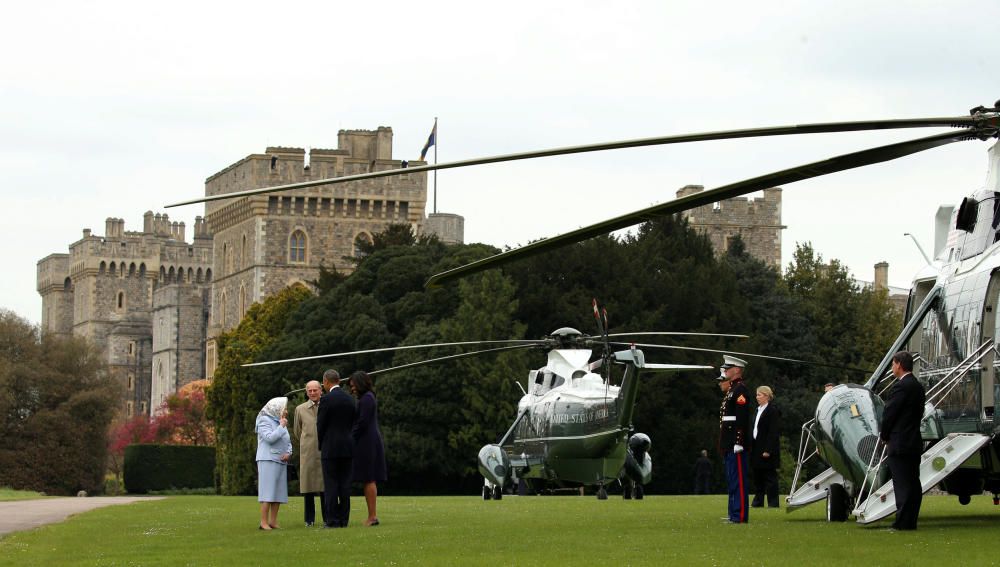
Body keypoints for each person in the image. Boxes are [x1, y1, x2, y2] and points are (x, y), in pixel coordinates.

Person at [880, 351, 926, 530]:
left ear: (898, 364)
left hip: (900, 442)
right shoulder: (917, 386)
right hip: (914, 440)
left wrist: (884, 435)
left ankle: (902, 523)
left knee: (902, 484)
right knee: (914, 483)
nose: (892, 368)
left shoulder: (901, 387)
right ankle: (910, 520)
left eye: (893, 364)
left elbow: (890, 414)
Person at [317, 369, 356, 528]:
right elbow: (354, 422)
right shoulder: (350, 399)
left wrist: (321, 444)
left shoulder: (326, 400)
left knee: (331, 484)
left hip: (331, 448)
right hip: (348, 447)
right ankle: (344, 520)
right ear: (338, 380)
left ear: (326, 381)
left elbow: (321, 425)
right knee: (345, 484)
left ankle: (332, 520)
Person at [349, 370, 387, 527]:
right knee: (367, 478)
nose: (352, 389)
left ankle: (372, 516)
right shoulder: (367, 398)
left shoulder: (367, 399)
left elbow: (362, 423)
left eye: (353, 386)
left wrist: (350, 438)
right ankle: (372, 516)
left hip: (367, 443)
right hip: (368, 441)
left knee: (369, 478)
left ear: (360, 384)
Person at [718, 355, 751, 524]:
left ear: (737, 369)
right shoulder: (733, 390)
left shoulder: (740, 390)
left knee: (738, 480)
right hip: (729, 442)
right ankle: (733, 513)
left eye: (728, 368)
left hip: (736, 443)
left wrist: (739, 441)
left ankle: (740, 515)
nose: (725, 370)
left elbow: (742, 418)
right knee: (732, 480)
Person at [256, 396, 292, 530]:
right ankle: (263, 522)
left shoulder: (280, 421)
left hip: (281, 461)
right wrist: (281, 426)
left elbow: (287, 441)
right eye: (284, 408)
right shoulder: (263, 420)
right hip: (267, 460)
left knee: (278, 492)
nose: (286, 411)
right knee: (268, 491)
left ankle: (273, 521)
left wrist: (289, 453)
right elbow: (270, 438)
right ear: (276, 408)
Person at [293, 380, 325, 526]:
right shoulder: (300, 409)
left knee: (325, 487)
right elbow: (297, 431)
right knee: (308, 488)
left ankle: (327, 517)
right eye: (309, 390)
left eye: (315, 390)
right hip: (308, 452)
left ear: (321, 390)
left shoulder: (326, 406)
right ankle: (309, 520)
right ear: (306, 392)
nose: (312, 393)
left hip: (324, 451)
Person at [750, 385, 781, 508]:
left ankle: (773, 503)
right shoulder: (758, 410)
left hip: (767, 448)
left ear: (767, 396)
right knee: (758, 476)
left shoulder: (772, 411)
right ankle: (758, 501)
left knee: (769, 477)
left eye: (759, 395)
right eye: (757, 395)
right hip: (756, 447)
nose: (757, 397)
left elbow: (773, 432)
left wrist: (768, 450)